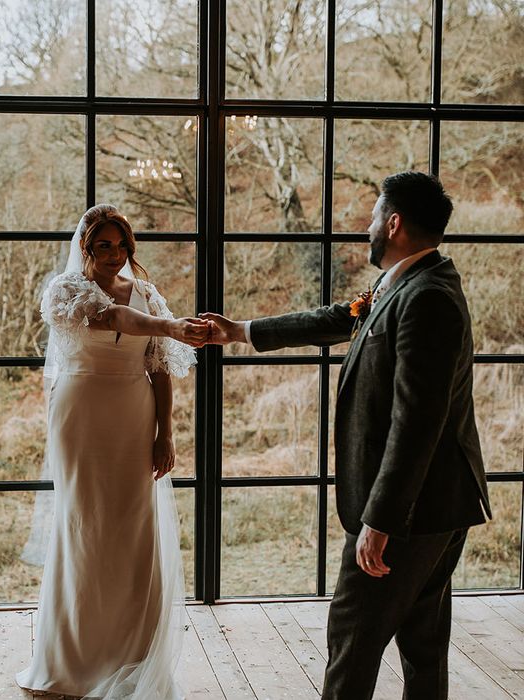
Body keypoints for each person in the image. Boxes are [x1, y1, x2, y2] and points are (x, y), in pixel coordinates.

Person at [201, 171, 491, 699]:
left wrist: (381, 520)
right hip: (437, 504)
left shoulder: (426, 297)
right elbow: (341, 317)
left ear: (395, 222)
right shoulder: (407, 282)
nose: (368, 227)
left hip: (410, 511)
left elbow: (416, 423)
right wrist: (241, 331)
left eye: (375, 216)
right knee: (423, 647)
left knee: (352, 641)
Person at [16, 203, 207, 699]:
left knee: (133, 527)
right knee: (85, 526)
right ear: (86, 247)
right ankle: (73, 659)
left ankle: (131, 655)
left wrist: (165, 433)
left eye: (122, 246)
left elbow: (161, 368)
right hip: (81, 415)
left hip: (134, 413)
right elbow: (112, 318)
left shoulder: (147, 293)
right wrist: (166, 325)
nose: (114, 255)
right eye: (104, 245)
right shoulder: (65, 291)